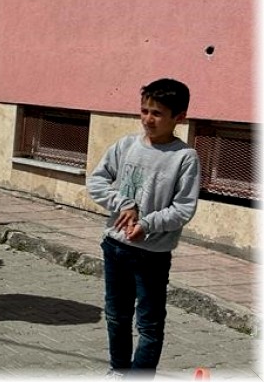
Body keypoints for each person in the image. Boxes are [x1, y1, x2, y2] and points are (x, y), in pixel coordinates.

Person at [87, 79, 200, 376]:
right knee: (116, 316)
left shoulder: (184, 158)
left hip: (152, 254)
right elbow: (96, 181)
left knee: (148, 324)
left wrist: (148, 224)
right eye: (144, 111)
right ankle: (118, 370)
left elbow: (184, 208)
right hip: (115, 246)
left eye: (157, 113)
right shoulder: (125, 146)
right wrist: (122, 202)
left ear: (179, 117)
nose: (148, 119)